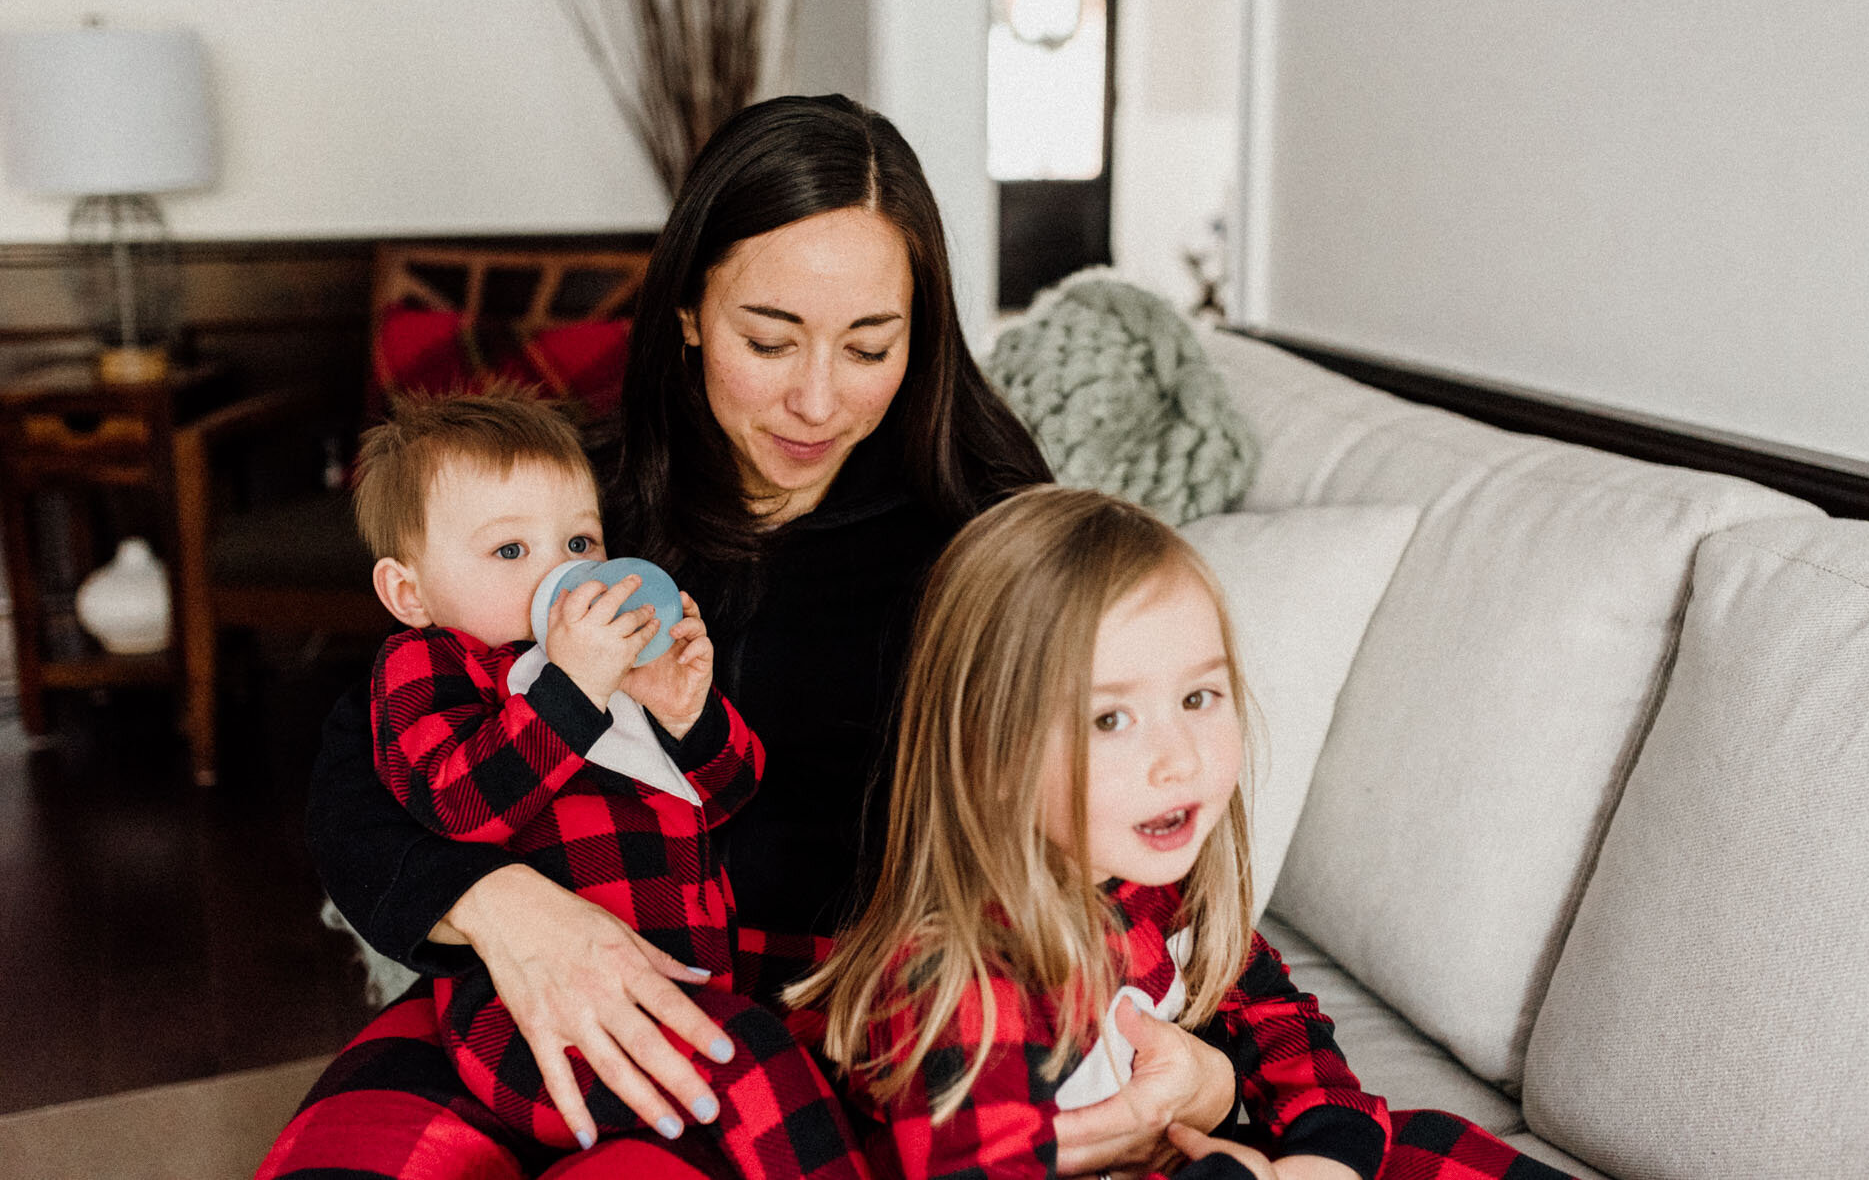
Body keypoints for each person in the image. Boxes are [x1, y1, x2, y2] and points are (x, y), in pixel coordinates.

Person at [262, 95, 1235, 1180]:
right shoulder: (572, 512)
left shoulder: (988, 532)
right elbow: (367, 755)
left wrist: (1217, 1068)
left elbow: (1129, 802)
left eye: (870, 347)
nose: (815, 400)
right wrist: (500, 911)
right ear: (685, 310)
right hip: (552, 979)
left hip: (829, 1026)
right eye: (767, 341)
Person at [795, 486, 1573, 1180]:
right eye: (1111, 718)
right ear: (992, 755)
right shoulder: (955, 976)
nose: (1178, 758)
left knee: (1429, 1143)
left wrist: (1323, 1155)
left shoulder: (1157, 895)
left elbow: (1283, 1028)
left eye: (1199, 697)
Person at [346, 389, 865, 1177]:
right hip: (536, 1025)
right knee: (747, 1054)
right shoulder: (433, 664)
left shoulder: (606, 662)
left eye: (579, 541)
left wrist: (687, 715)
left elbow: (728, 794)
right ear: (408, 592)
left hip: (693, 956)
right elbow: (457, 803)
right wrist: (572, 688)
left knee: (869, 968)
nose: (563, 574)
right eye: (510, 551)